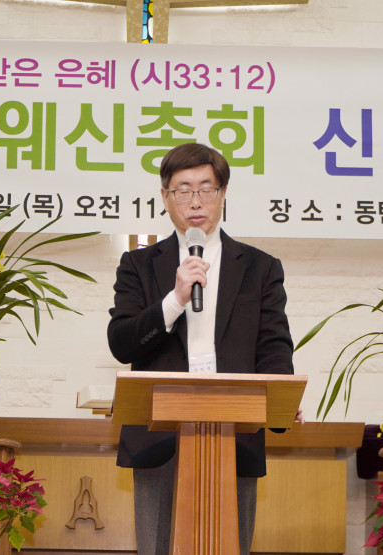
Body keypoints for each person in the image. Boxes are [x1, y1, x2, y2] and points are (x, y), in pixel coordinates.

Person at [107, 143, 301, 555]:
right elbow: (122, 343)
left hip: (237, 430)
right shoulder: (138, 265)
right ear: (165, 198)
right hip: (157, 434)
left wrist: (280, 397)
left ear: (223, 194)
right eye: (183, 190)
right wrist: (175, 299)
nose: (195, 202)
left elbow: (273, 344)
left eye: (206, 189)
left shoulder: (260, 267)